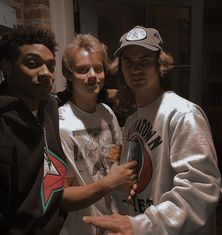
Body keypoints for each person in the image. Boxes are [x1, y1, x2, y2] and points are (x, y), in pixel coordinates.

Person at [83, 25, 222, 235]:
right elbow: (133, 181)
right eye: (128, 62)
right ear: (120, 69)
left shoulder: (182, 114)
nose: (136, 69)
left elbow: (201, 188)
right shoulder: (131, 122)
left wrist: (142, 225)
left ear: (160, 65)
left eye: (145, 61)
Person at [58, 34, 137, 235]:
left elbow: (112, 159)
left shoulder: (107, 113)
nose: (92, 75)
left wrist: (124, 184)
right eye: (82, 69)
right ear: (68, 74)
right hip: (80, 229)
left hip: (113, 221)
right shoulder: (62, 124)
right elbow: (63, 197)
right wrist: (109, 183)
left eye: (98, 68)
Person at [0, 24, 67, 234]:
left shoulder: (49, 105)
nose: (46, 73)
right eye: (32, 64)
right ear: (8, 68)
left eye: (50, 65)